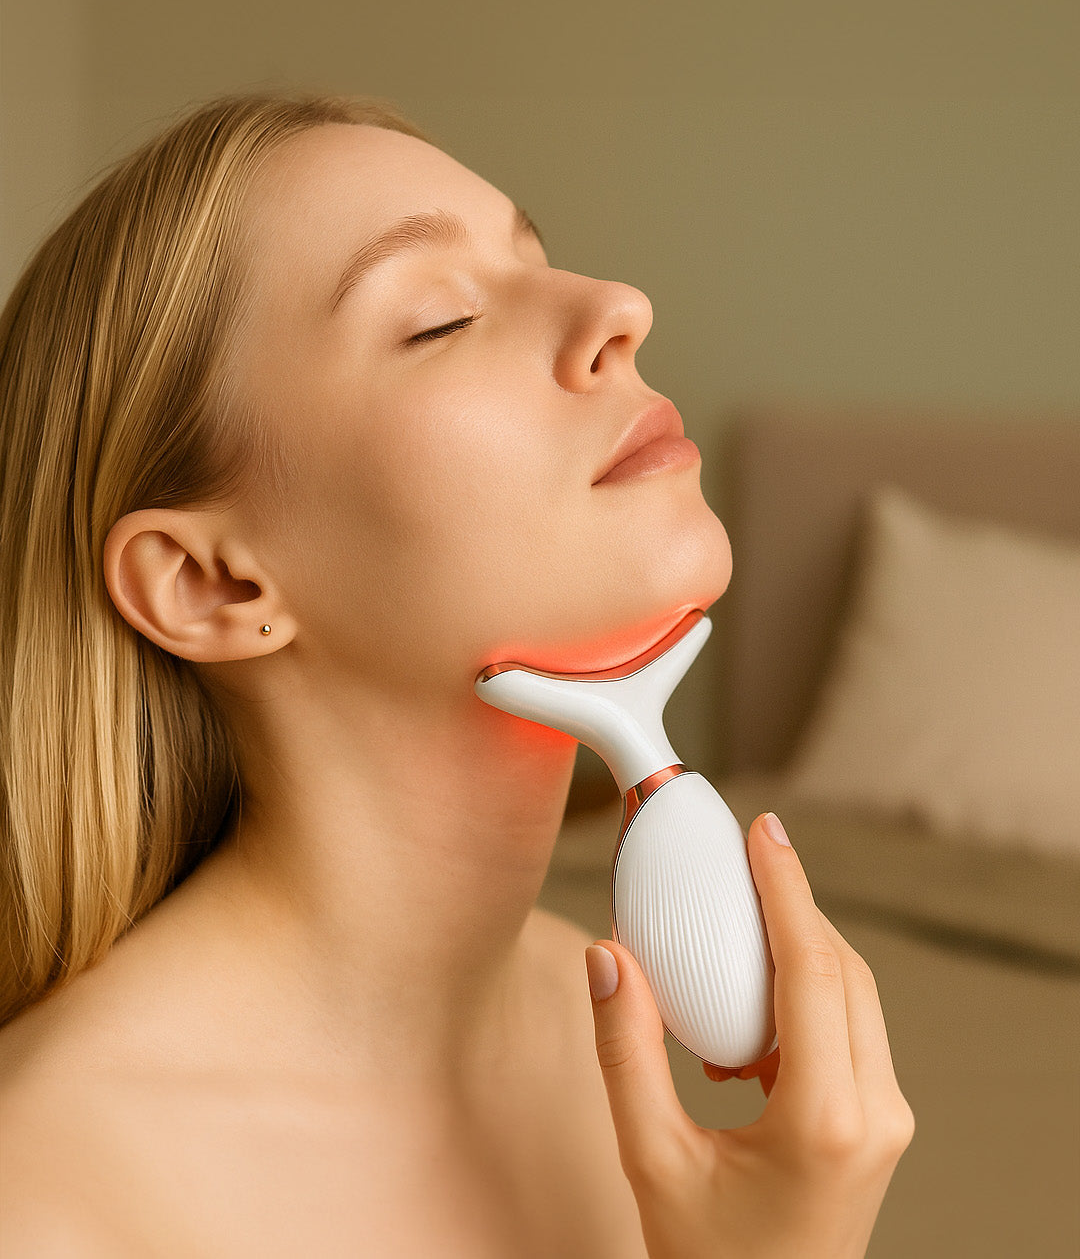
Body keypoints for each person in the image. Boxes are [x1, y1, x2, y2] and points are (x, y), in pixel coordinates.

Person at [0, 92, 914, 1257]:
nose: (620, 308)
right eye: (438, 318)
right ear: (211, 585)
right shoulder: (50, 1200)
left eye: (539, 256)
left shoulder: (598, 1024)